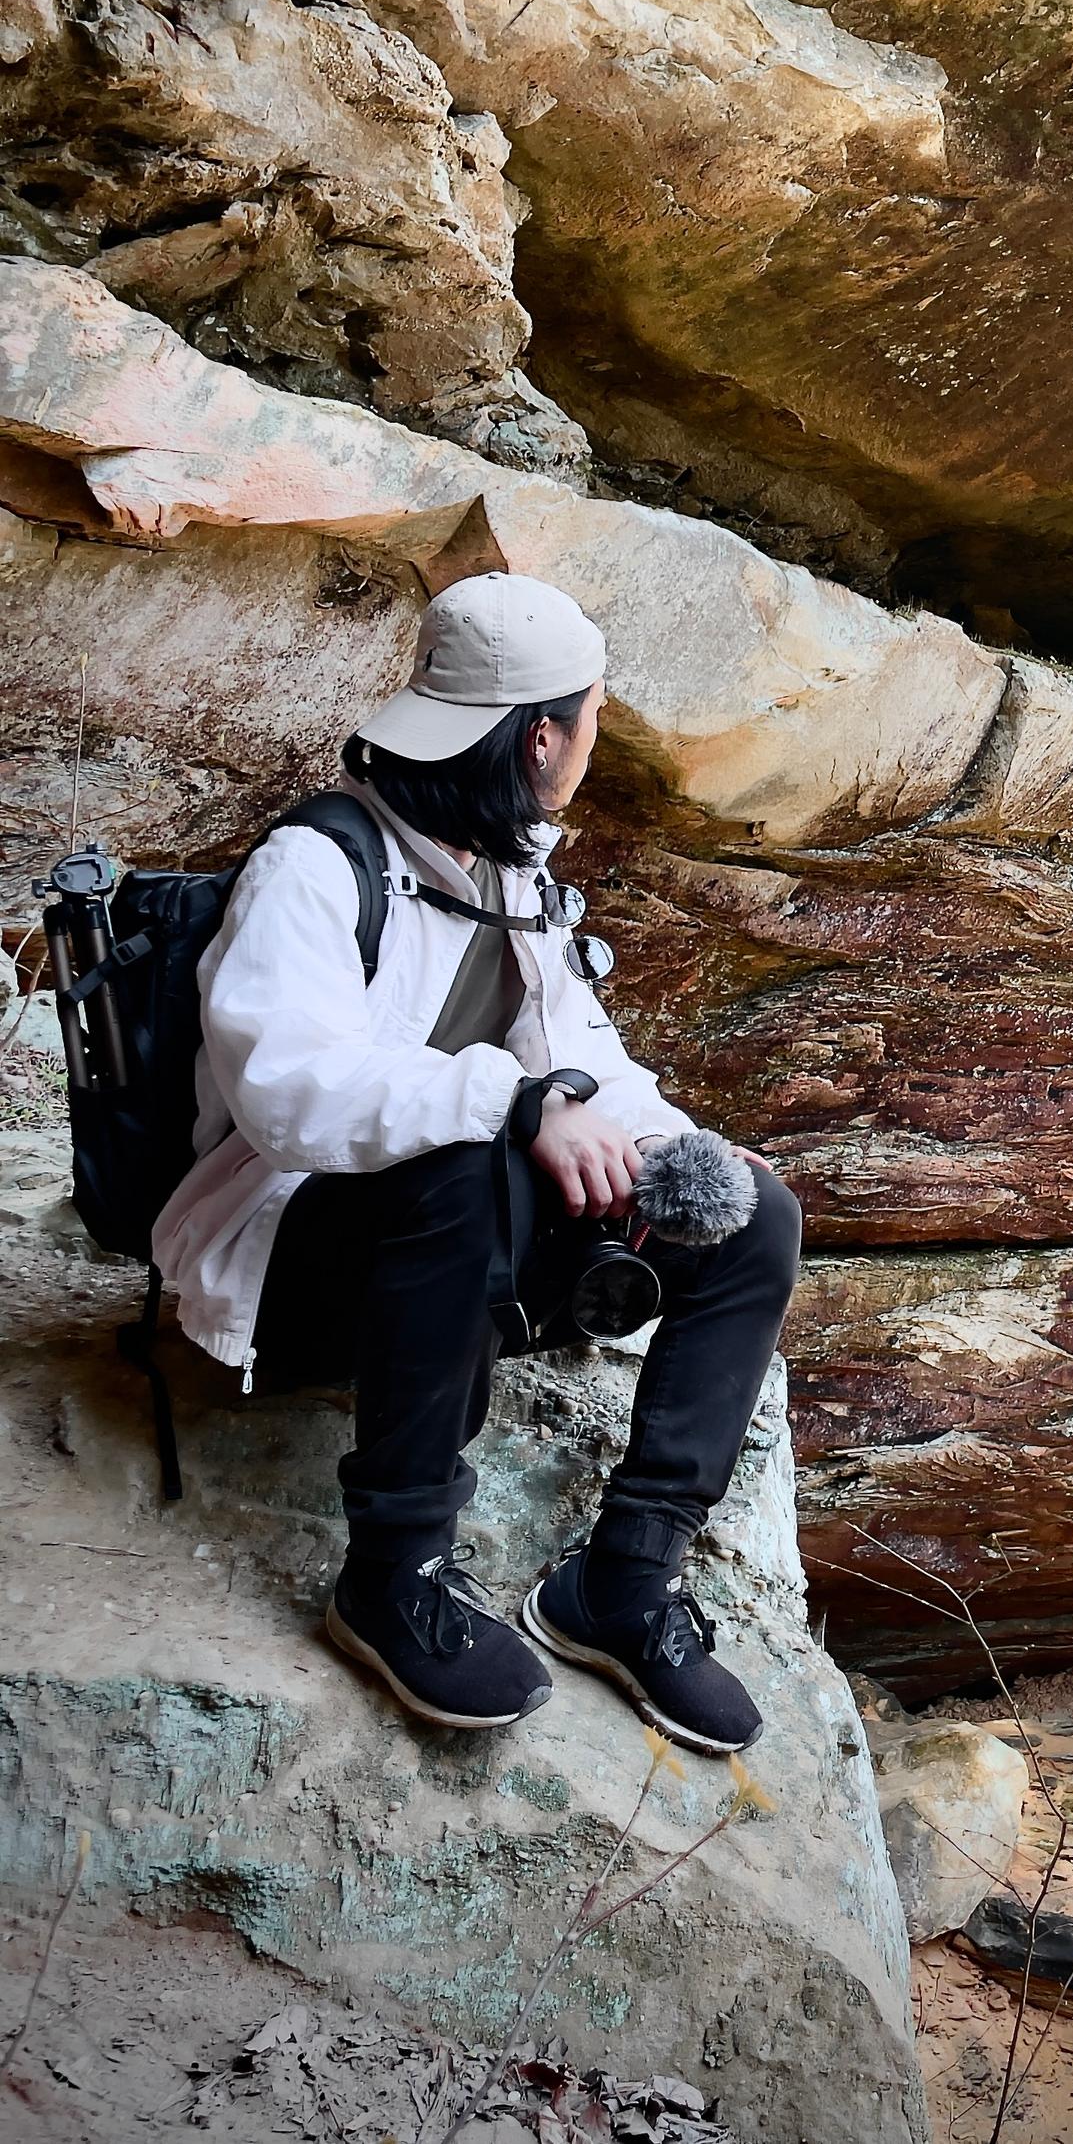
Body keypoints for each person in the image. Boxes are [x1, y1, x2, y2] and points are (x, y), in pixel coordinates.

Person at [151, 573, 800, 1748]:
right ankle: (393, 1574)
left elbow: (584, 1062)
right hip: (306, 1268)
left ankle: (622, 1581)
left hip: (462, 1271)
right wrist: (515, 1103)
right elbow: (289, 1092)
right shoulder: (313, 864)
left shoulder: (513, 875)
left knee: (754, 1213)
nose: (593, 744)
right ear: (543, 735)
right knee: (460, 1166)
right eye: (594, 718)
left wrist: (668, 1147)